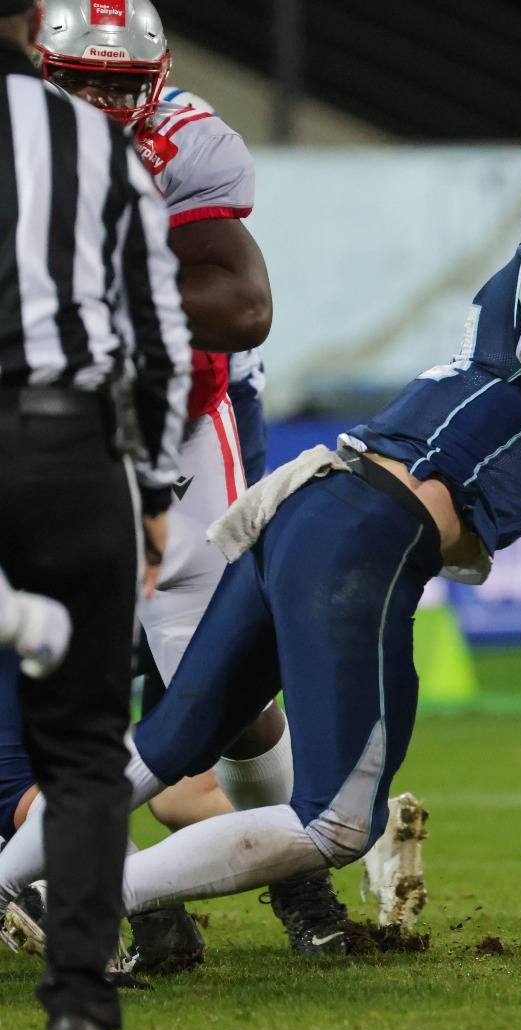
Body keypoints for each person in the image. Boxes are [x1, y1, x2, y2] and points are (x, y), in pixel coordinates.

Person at [0, 145, 521, 935]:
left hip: (316, 505)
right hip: (366, 538)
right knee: (336, 821)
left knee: (162, 748)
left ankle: (8, 876)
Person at [8, 0, 331, 964]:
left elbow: (243, 305)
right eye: (84, 84)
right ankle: (141, 899)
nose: (106, 108)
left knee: (220, 692)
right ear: (39, 65)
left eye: (123, 87)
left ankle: (300, 875)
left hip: (178, 429)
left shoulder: (189, 142)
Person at [0, 0, 192, 1030]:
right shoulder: (88, 139)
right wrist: (158, 486)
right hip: (69, 449)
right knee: (81, 753)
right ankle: (79, 1005)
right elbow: (158, 327)